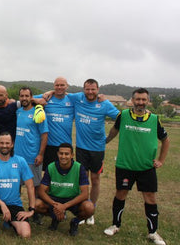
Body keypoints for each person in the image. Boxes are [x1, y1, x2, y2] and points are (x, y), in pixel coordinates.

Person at [103, 88, 169, 245]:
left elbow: (165, 140)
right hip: (125, 165)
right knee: (121, 194)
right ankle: (115, 225)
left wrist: (161, 160)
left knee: (150, 198)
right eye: (137, 99)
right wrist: (105, 141)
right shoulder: (123, 115)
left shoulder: (154, 119)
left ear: (148, 101)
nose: (140, 102)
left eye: (143, 100)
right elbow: (114, 130)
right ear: (132, 100)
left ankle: (153, 232)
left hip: (146, 167)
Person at [66, 79, 119, 225]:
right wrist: (49, 92)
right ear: (83, 89)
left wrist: (108, 138)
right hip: (81, 148)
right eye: (87, 89)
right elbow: (61, 93)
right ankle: (84, 209)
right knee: (83, 180)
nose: (90, 92)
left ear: (98, 89)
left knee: (95, 180)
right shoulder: (78, 98)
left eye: (93, 89)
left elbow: (121, 118)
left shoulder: (105, 103)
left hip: (97, 149)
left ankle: (92, 210)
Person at [0, 132, 36, 237]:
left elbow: (30, 186)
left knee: (25, 234)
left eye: (7, 143)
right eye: (2, 143)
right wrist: (2, 204)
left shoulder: (20, 161)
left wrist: (31, 209)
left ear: (12, 144)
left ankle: (9, 221)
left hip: (14, 204)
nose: (4, 145)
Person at [35, 143, 94, 236]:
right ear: (57, 154)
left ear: (72, 155)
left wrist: (64, 206)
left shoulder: (79, 168)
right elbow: (41, 191)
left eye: (66, 154)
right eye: (61, 153)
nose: (63, 156)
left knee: (89, 207)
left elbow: (85, 194)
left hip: (72, 199)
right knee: (36, 205)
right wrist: (55, 205)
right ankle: (55, 217)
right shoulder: (51, 167)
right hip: (55, 199)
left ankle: (75, 222)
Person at [14, 87, 48, 200]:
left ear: (31, 97)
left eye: (26, 96)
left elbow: (44, 135)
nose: (24, 98)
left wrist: (41, 154)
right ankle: (15, 207)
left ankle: (35, 210)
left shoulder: (38, 112)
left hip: (32, 156)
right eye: (22, 96)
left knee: (35, 186)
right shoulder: (18, 112)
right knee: (16, 184)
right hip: (17, 157)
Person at [35, 77, 74, 170]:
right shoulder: (46, 97)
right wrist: (39, 100)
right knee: (47, 173)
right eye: (57, 85)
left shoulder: (72, 99)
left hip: (65, 146)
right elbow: (27, 98)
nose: (59, 87)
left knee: (65, 174)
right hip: (48, 145)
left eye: (62, 85)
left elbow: (87, 97)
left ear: (67, 86)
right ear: (54, 86)